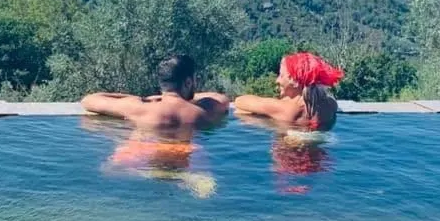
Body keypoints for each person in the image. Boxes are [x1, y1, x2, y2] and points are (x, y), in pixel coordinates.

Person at [81, 55, 229, 131]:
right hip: (188, 159)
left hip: (139, 160)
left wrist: (142, 99)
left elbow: (89, 100)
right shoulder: (204, 111)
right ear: (188, 82)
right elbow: (221, 99)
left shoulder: (140, 108)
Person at [234, 52, 343, 131]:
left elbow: (239, 101)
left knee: (241, 113)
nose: (277, 80)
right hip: (317, 160)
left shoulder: (285, 108)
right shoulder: (331, 105)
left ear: (295, 82)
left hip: (288, 159)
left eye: (281, 75)